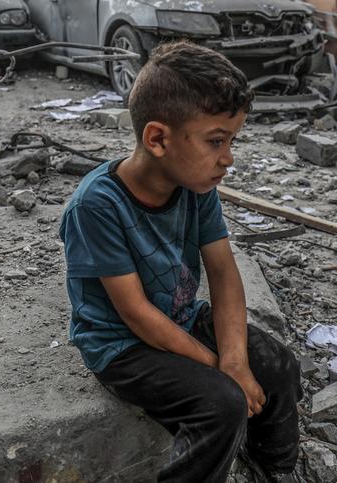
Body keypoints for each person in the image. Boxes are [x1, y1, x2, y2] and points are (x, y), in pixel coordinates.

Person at [60, 41, 301, 483]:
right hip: (121, 346)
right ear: (157, 138)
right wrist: (223, 371)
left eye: (231, 141)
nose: (228, 157)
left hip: (182, 317)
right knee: (223, 403)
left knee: (280, 365)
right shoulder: (96, 205)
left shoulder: (198, 187)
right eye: (216, 141)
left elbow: (225, 276)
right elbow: (135, 314)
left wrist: (235, 359)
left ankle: (274, 469)